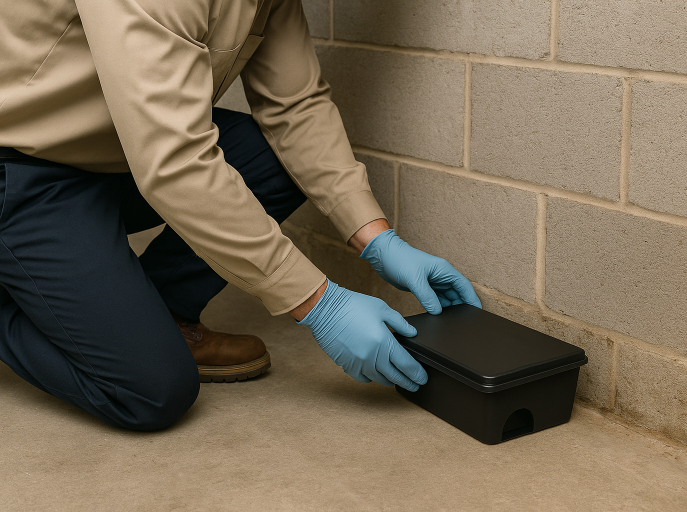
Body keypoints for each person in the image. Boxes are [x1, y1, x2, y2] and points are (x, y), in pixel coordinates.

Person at [0, 0, 481, 431]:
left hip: (120, 150)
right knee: (150, 391)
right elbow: (175, 163)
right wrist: (320, 304)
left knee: (275, 156)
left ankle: (163, 313)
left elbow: (296, 105)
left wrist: (378, 240)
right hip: (23, 165)